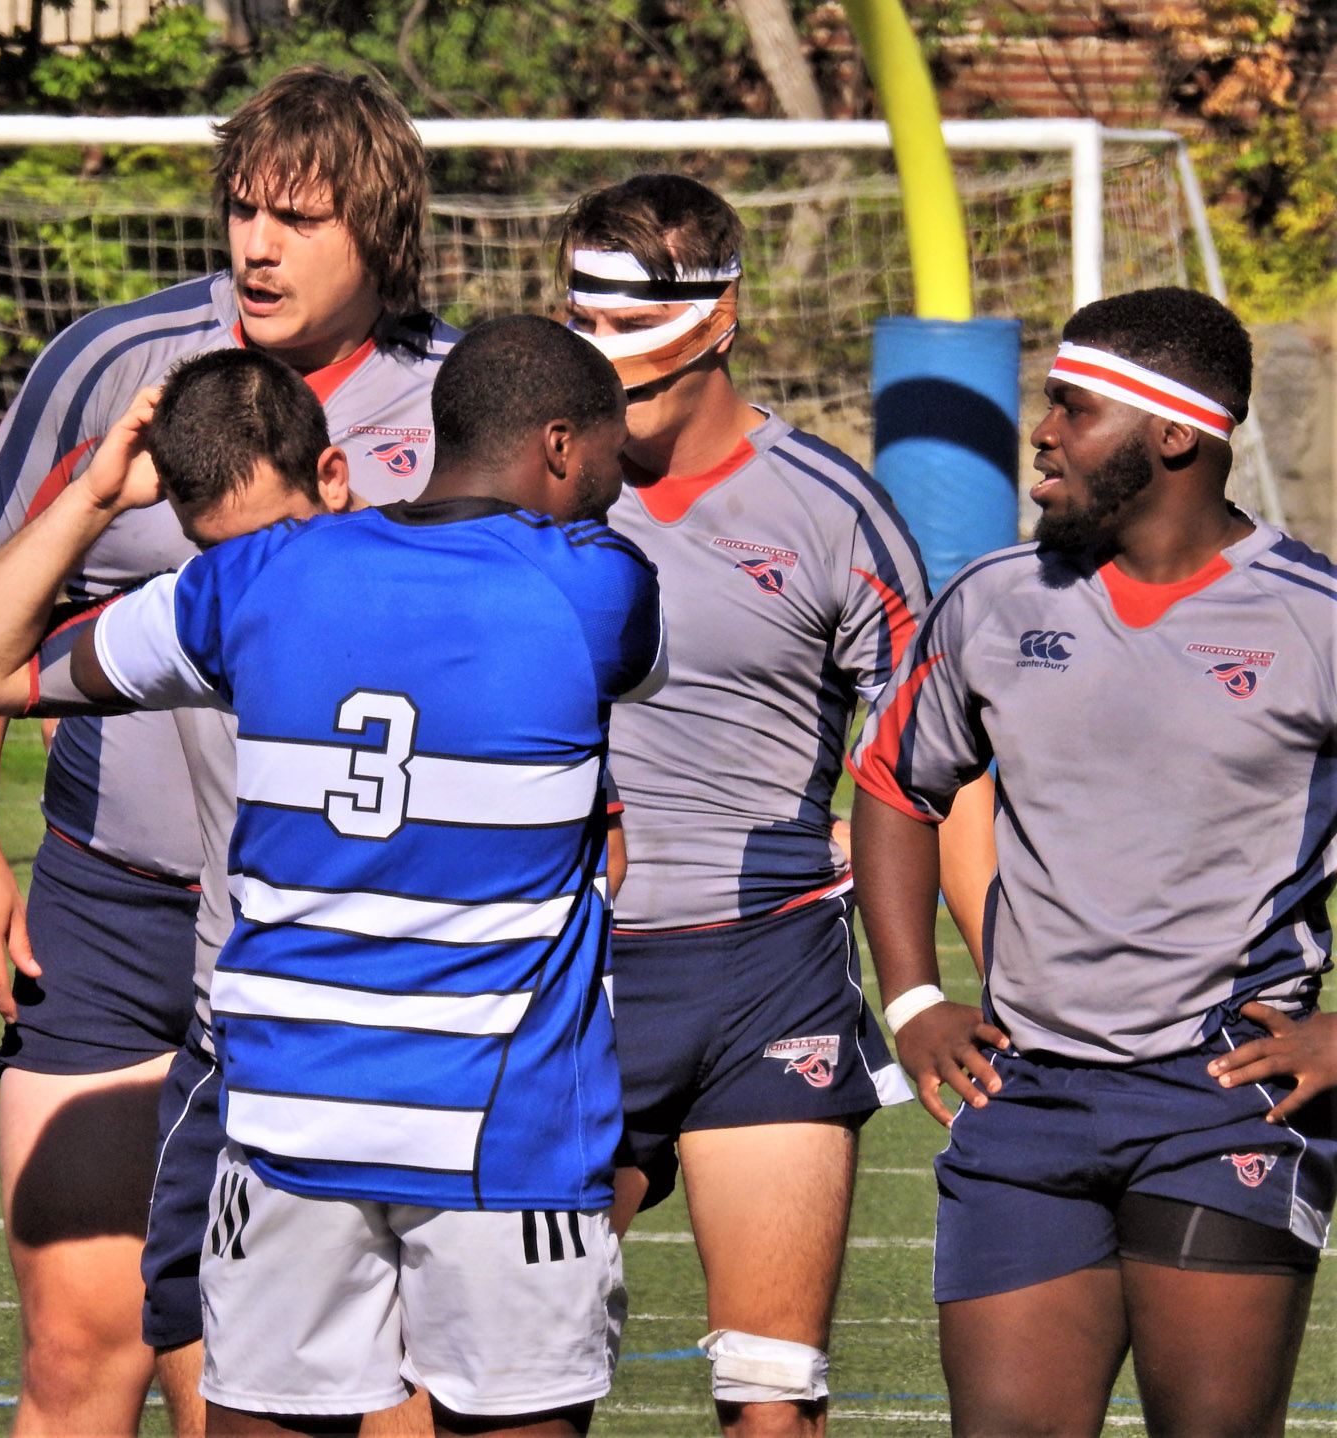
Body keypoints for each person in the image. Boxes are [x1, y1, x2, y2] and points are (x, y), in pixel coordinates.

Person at [0, 315, 664, 1437]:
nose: (620, 483)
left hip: (285, 1120)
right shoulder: (597, 588)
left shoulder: (254, 579)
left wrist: (88, 495)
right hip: (499, 1125)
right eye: (611, 456)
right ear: (559, 447)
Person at [0, 65, 453, 1435]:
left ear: (380, 233)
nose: (257, 246)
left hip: (334, 934)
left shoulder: (455, 403)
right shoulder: (116, 365)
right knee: (79, 1346)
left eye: (301, 218)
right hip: (107, 911)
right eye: (243, 210)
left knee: (311, 1369)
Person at [849, 286, 1336, 1435]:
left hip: (1221, 1096)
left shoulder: (1314, 618)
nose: (1041, 431)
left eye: (1072, 408)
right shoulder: (991, 600)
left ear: (1172, 434)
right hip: (1026, 1098)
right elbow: (889, 786)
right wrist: (913, 995)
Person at [556, 174, 998, 1436]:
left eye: (636, 326)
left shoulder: (830, 509)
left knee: (770, 1389)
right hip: (563, 973)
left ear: (720, 316)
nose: (610, 361)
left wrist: (994, 986)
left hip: (767, 977)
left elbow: (926, 768)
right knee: (506, 1376)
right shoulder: (521, 483)